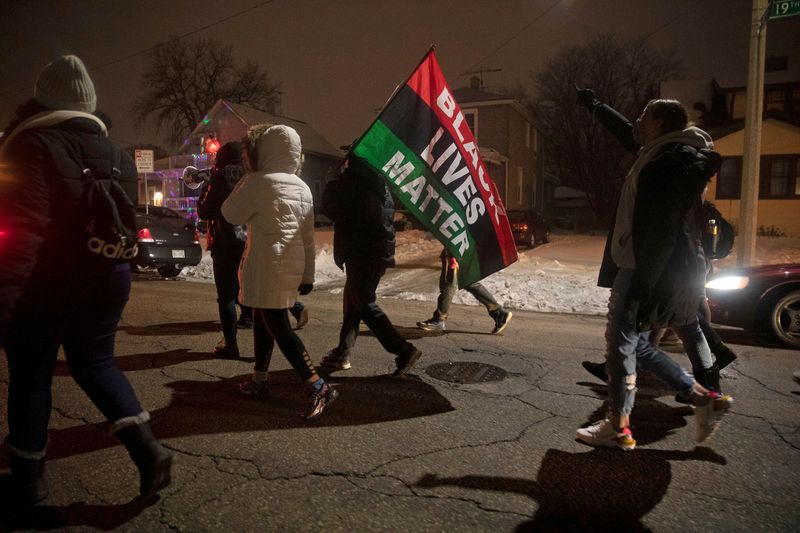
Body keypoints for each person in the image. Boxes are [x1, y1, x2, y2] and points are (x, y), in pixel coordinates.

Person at [0, 55, 171, 504]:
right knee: (96, 364)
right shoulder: (116, 153)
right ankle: (149, 451)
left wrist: (5, 297)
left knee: (32, 374)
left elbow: (24, 230)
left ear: (41, 99)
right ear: (89, 103)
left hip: (48, 279)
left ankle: (28, 480)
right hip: (107, 275)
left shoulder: (30, 145)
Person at [573, 88, 733, 450]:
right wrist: (595, 105)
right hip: (654, 268)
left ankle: (619, 426)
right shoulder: (660, 152)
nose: (638, 125)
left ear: (659, 123)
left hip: (645, 269)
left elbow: (661, 228)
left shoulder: (669, 160)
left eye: (645, 119)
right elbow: (625, 130)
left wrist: (644, 284)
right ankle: (704, 398)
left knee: (621, 348)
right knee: (640, 346)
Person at [221, 123, 337, 418]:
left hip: (267, 263)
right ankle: (259, 380)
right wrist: (308, 275)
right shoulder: (302, 187)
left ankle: (317, 385)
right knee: (264, 319)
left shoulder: (258, 181)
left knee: (278, 327)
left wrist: (246, 178)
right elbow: (308, 237)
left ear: (263, 150)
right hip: (290, 263)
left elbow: (229, 213)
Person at [320, 158, 422, 376]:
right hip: (375, 251)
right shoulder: (377, 180)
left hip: (360, 252)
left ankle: (403, 349)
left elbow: (333, 208)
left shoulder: (354, 180)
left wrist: (331, 183)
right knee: (353, 303)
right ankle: (342, 353)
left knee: (364, 303)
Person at [197, 141, 251, 358]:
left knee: (226, 296)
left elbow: (205, 211)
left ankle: (231, 344)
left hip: (225, 242)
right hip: (248, 242)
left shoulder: (219, 179)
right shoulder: (251, 178)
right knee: (248, 291)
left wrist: (204, 189)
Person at [417, 248, 513, 335]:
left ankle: (439, 319)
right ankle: (499, 314)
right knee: (469, 283)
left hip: (456, 251)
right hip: (462, 249)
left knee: (448, 285)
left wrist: (454, 255)